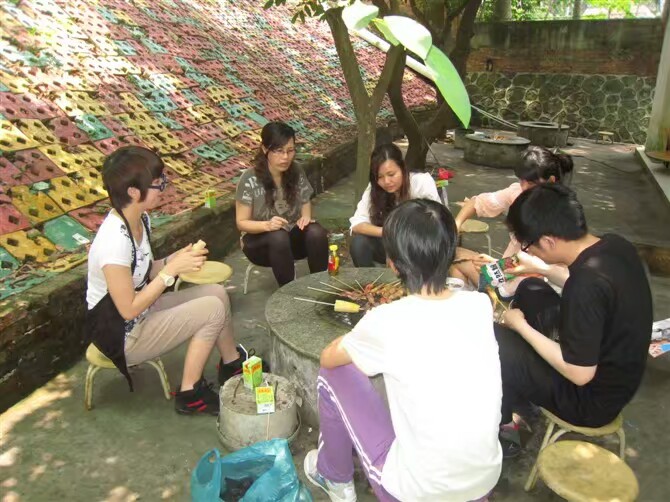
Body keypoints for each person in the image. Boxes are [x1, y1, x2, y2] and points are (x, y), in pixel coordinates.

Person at [305, 199, 502, 502]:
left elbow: (328, 357)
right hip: (482, 482)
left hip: (419, 492)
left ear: (392, 264)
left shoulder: (387, 320)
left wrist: (362, 337)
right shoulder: (479, 305)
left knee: (333, 372)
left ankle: (334, 475)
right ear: (451, 252)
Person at [86, 146, 245, 416]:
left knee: (217, 293)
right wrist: (171, 271)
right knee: (212, 310)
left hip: (142, 313)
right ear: (133, 192)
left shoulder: (140, 219)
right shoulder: (114, 243)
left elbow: (145, 270)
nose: (164, 188)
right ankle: (190, 394)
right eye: (158, 183)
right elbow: (128, 309)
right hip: (121, 334)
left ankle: (231, 364)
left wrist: (174, 259)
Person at [497, 184, 652, 433]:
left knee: (495, 338)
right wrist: (540, 269)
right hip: (616, 379)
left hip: (589, 402)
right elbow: (596, 293)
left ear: (548, 241)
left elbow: (580, 374)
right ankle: (526, 380)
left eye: (527, 246)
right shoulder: (615, 245)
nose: (528, 251)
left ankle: (506, 429)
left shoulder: (585, 284)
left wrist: (520, 326)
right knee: (531, 288)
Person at [452, 146, 574, 291]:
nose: (524, 188)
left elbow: (538, 266)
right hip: (506, 270)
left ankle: (493, 299)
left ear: (551, 180)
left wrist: (498, 265)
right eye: (521, 181)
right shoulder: (517, 192)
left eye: (531, 183)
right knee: (456, 257)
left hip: (525, 285)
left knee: (455, 260)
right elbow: (476, 202)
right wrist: (456, 225)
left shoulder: (560, 216)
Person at [236, 121, 328, 286]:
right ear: (265, 149)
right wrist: (267, 225)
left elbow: (305, 200)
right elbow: (241, 222)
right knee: (278, 236)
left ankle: (320, 286)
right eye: (279, 151)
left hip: (291, 239)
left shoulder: (296, 170)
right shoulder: (249, 179)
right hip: (259, 244)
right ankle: (288, 292)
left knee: (316, 231)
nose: (285, 157)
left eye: (290, 150)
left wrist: (306, 217)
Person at [349, 143, 440, 267]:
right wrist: (388, 233)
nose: (386, 181)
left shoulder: (421, 182)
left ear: (403, 168)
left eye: (391, 174)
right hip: (390, 241)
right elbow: (357, 223)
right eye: (380, 177)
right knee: (359, 244)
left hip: (420, 245)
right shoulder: (374, 188)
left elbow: (436, 222)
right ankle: (369, 279)